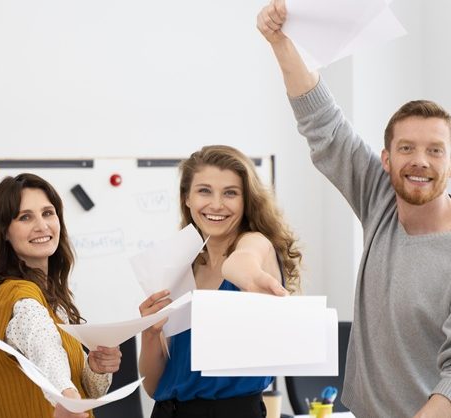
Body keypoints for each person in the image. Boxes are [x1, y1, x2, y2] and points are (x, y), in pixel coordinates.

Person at [257, 2, 451, 417]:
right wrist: (281, 43)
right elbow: (322, 121)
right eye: (406, 149)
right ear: (386, 160)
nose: (420, 161)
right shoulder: (381, 198)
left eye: (435, 150)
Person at [138, 145, 302, 418]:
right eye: (204, 191)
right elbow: (155, 387)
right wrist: (150, 333)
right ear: (187, 198)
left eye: (230, 193)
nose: (216, 204)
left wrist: (247, 275)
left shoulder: (255, 243)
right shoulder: (182, 267)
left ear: (246, 201)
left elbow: (243, 260)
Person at [0, 173, 122, 418]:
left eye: (47, 213)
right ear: (4, 231)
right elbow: (44, 347)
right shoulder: (22, 299)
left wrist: (95, 369)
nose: (42, 226)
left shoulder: (46, 298)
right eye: (25, 217)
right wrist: (67, 395)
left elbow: (85, 388)